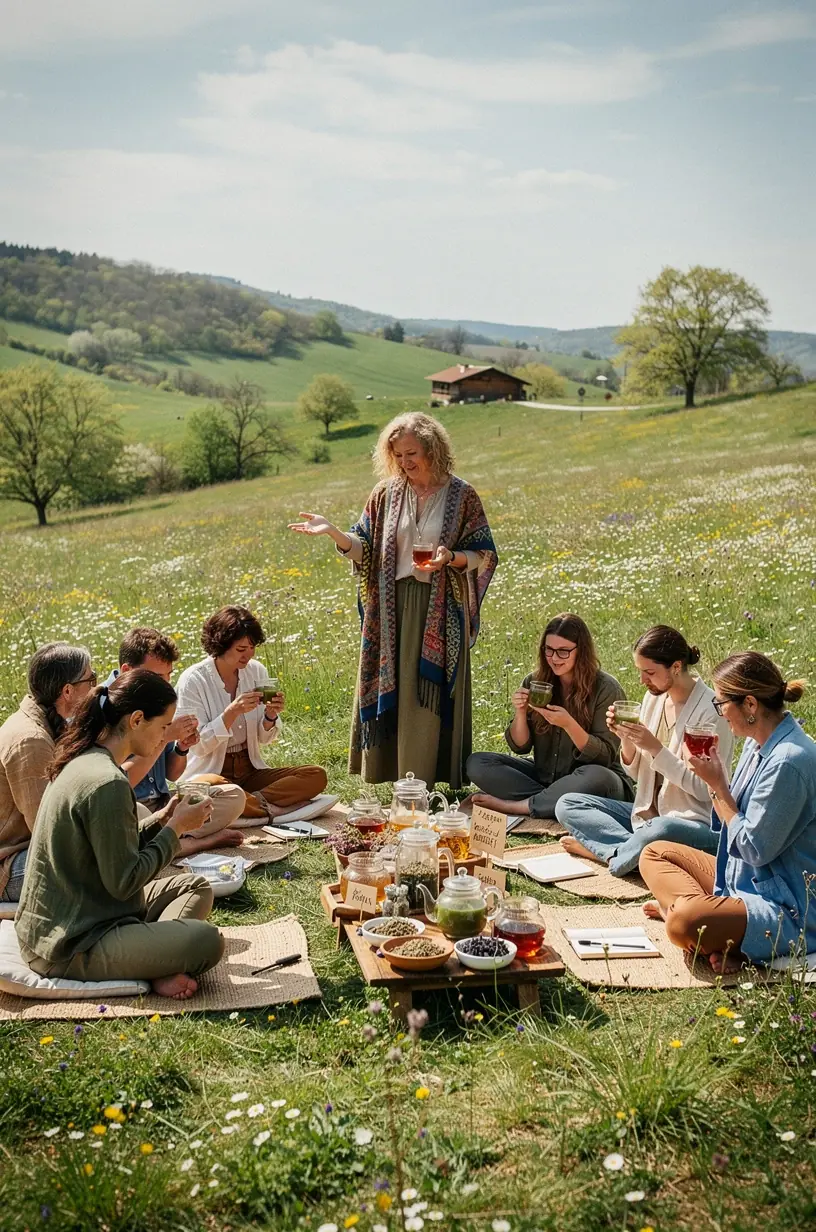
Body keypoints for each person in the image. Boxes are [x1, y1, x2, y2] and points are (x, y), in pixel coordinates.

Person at [289, 411, 498, 787]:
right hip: (390, 610)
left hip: (438, 610)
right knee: (395, 687)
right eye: (398, 455)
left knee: (425, 697)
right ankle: (394, 776)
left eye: (412, 453)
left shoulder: (463, 495)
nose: (405, 462)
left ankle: (424, 781)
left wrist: (451, 558)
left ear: (433, 449)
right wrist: (335, 533)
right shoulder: (385, 494)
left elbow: (484, 554)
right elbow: (364, 549)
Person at [15, 670, 224, 999]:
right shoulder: (107, 782)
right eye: (163, 726)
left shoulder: (87, 758)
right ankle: (154, 962)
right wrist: (177, 828)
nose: (165, 736)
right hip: (68, 942)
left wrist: (161, 819)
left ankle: (151, 958)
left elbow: (110, 848)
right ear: (138, 719)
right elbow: (125, 880)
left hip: (92, 908)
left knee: (195, 885)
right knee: (207, 941)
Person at [640, 654, 816, 974]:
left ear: (749, 705)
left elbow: (753, 847)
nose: (719, 712)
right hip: (742, 881)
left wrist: (719, 788)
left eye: (721, 704)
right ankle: (715, 926)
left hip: (787, 907)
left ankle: (705, 924)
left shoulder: (790, 762)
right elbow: (728, 822)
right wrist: (715, 784)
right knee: (654, 852)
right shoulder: (756, 744)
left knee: (682, 921)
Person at [555, 625, 733, 876]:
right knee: (568, 803)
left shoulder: (712, 712)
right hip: (646, 818)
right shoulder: (654, 698)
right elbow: (638, 775)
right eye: (640, 671)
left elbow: (706, 791)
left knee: (661, 829)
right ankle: (629, 851)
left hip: (693, 823)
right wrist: (625, 738)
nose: (642, 680)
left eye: (649, 672)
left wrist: (656, 748)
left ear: (676, 666)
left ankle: (614, 855)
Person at [465, 613, 633, 818]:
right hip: (545, 777)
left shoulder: (606, 688)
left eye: (563, 651)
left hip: (595, 781)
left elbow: (605, 757)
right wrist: (520, 712)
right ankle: (553, 801)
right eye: (549, 650)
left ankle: (518, 806)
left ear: (581, 651)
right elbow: (520, 747)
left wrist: (569, 725)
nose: (554, 658)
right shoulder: (536, 682)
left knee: (596, 776)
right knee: (478, 763)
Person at [175, 606, 328, 816]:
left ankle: (250, 805)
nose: (248, 655)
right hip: (212, 772)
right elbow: (198, 747)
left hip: (250, 769)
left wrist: (271, 715)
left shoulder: (256, 671)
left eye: (252, 647)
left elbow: (265, 739)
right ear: (221, 645)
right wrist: (231, 713)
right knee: (206, 787)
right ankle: (267, 807)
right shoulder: (193, 680)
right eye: (240, 649)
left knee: (316, 775)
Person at [107, 627, 246, 847]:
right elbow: (119, 785)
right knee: (138, 815)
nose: (165, 683)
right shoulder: (104, 708)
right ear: (126, 670)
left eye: (169, 675)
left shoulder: (158, 699)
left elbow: (173, 773)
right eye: (158, 676)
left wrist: (181, 747)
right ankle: (192, 843)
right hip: (125, 809)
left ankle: (172, 840)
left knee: (233, 796)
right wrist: (164, 736)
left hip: (163, 804)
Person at [1, 643, 96, 904]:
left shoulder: (48, 723)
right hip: (10, 867)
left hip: (28, 849)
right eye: (91, 679)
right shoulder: (30, 741)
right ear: (67, 691)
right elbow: (48, 830)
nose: (95, 688)